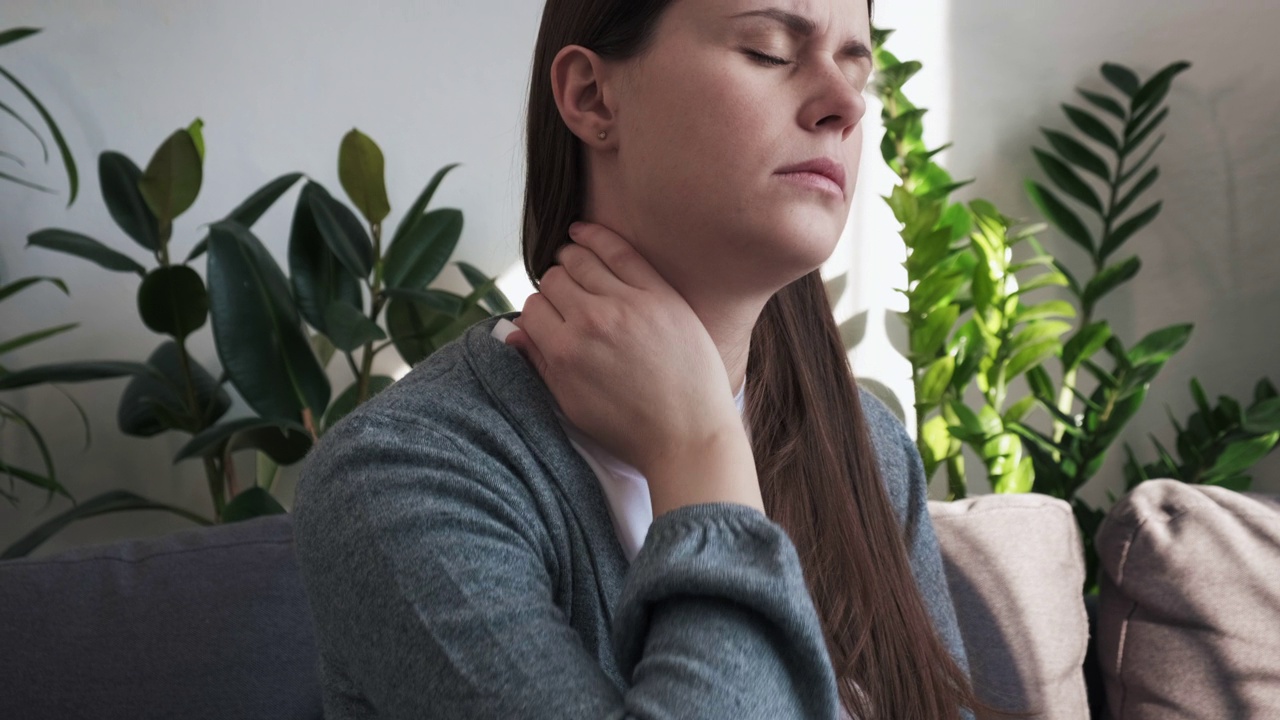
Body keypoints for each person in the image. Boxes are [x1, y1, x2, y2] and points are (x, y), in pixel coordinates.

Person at [293, 1, 988, 717]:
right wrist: (698, 450)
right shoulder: (397, 479)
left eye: (855, 66)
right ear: (593, 97)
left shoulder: (867, 449)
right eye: (770, 51)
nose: (845, 105)